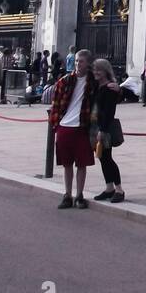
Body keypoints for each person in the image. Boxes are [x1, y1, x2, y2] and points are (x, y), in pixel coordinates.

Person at [47, 47, 96, 209]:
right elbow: (55, 104)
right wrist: (55, 125)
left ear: (88, 64)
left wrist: (117, 89)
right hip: (65, 126)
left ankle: (79, 195)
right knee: (67, 164)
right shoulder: (65, 80)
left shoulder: (93, 82)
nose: (77, 64)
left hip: (82, 127)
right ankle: (67, 194)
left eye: (81, 61)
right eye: (76, 61)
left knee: (81, 164)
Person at [90, 57, 126, 203]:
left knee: (107, 158)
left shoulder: (109, 88)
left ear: (105, 71)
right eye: (94, 69)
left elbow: (109, 111)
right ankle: (109, 187)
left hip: (104, 127)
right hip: (94, 125)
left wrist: (102, 130)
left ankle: (119, 189)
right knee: (102, 157)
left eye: (99, 69)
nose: (96, 72)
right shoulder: (96, 85)